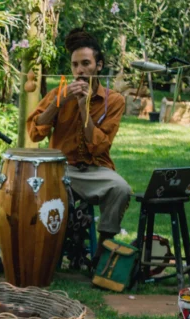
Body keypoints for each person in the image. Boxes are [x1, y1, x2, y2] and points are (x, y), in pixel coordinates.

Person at [26, 28, 131, 266]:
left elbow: (99, 147)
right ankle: (42, 252)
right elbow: (34, 132)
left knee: (121, 188)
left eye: (86, 63)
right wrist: (58, 102)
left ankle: (103, 249)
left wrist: (84, 107)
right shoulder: (58, 93)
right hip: (60, 169)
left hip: (94, 169)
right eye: (75, 65)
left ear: (99, 65)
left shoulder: (113, 101)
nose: (80, 70)